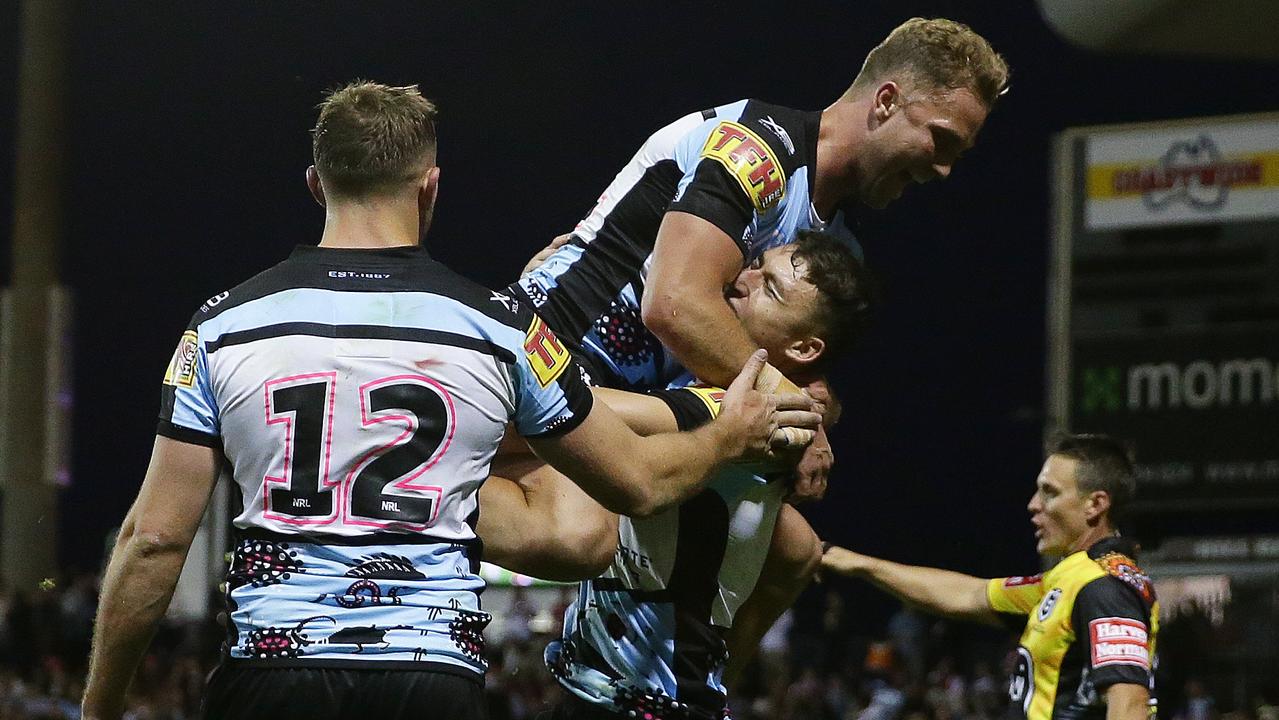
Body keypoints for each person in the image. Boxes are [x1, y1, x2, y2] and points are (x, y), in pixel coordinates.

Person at [79, 81, 820, 720]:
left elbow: (154, 541)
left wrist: (101, 708)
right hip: (431, 675)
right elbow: (633, 483)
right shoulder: (500, 327)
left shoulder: (220, 327)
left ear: (315, 183)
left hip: (273, 669)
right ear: (430, 184)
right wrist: (727, 434)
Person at [508, 14, 1009, 677]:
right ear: (886, 102)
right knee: (580, 537)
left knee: (793, 552)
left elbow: (810, 384)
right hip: (543, 364)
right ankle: (381, 510)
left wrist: (808, 413)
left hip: (627, 410)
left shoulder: (830, 248)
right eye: (940, 140)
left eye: (959, 154)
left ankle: (713, 691)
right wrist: (790, 410)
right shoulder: (756, 149)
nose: (944, 169)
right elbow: (677, 306)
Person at [541, 230, 876, 720]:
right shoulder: (748, 404)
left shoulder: (735, 412)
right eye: (757, 264)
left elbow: (568, 404)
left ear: (804, 348)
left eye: (770, 288)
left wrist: (538, 312)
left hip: (632, 705)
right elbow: (798, 553)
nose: (740, 279)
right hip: (646, 696)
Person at [822, 434, 1160, 720]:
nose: (1033, 504)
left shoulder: (1104, 585)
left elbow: (1129, 702)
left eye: (1050, 492)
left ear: (1095, 504)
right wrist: (857, 563)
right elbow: (968, 594)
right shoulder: (1066, 580)